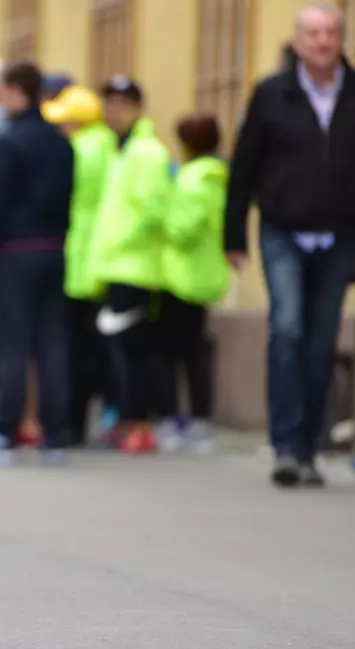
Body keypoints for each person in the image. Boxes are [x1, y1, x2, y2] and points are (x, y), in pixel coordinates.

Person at [225, 3, 355, 487]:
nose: (323, 41)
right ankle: (285, 446)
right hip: (283, 229)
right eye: (314, 33)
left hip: (341, 234)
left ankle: (309, 447)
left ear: (341, 40)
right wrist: (233, 233)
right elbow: (244, 165)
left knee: (320, 343)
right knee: (288, 328)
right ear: (297, 41)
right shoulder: (271, 94)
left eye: (331, 33)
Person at [0, 61, 75, 466]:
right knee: (52, 343)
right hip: (53, 249)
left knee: (11, 343)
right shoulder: (62, 144)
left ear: (16, 92)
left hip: (13, 251)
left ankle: (3, 434)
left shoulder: (6, 143)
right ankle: (55, 436)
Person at [89, 75, 173, 454]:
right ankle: (125, 420)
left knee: (134, 351)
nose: (114, 112)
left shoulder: (147, 152)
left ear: (139, 109)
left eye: (123, 104)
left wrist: (125, 240)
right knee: (117, 351)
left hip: (135, 266)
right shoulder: (118, 150)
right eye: (109, 104)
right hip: (115, 264)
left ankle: (139, 423)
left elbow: (154, 209)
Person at [42, 85, 118, 445]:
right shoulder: (108, 146)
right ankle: (88, 419)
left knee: (75, 348)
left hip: (78, 258)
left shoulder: (81, 150)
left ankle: (71, 423)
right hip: (99, 259)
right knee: (91, 348)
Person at [158, 114, 230, 453]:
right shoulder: (216, 178)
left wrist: (162, 216)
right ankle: (197, 417)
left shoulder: (194, 179)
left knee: (178, 352)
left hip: (181, 276)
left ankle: (184, 418)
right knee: (193, 350)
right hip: (201, 274)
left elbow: (182, 228)